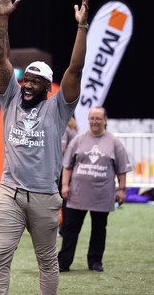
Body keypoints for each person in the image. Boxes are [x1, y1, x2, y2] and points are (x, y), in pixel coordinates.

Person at [0, 0, 89, 294]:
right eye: (27, 79)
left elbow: (75, 69)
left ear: (47, 87)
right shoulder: (11, 97)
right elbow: (0, 59)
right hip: (9, 193)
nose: (29, 85)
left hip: (45, 197)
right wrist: (2, 19)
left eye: (36, 82)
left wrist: (81, 27)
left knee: (47, 261)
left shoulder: (58, 108)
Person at [58, 107, 132, 272]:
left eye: (98, 118)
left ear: (105, 120)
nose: (94, 121)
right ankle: (63, 262)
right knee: (70, 229)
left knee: (99, 229)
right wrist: (64, 185)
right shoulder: (78, 140)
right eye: (92, 118)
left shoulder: (114, 142)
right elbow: (67, 165)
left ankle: (95, 262)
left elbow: (122, 168)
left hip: (102, 195)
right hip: (77, 194)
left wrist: (121, 190)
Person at [58, 117, 79, 236]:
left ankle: (64, 229)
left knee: (62, 198)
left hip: (63, 168)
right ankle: (67, 227)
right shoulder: (73, 128)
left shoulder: (64, 128)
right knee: (67, 199)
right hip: (72, 167)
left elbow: (62, 148)